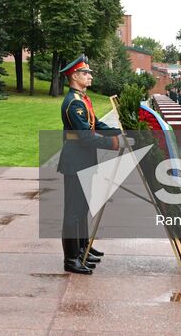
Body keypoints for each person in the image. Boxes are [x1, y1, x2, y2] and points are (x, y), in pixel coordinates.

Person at [57, 55, 120, 275]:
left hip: (84, 160)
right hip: (76, 161)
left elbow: (97, 124)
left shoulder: (83, 99)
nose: (90, 76)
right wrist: (113, 143)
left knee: (83, 208)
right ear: (74, 76)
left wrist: (122, 130)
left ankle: (82, 248)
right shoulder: (73, 103)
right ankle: (71, 258)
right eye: (86, 73)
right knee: (73, 212)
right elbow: (84, 136)